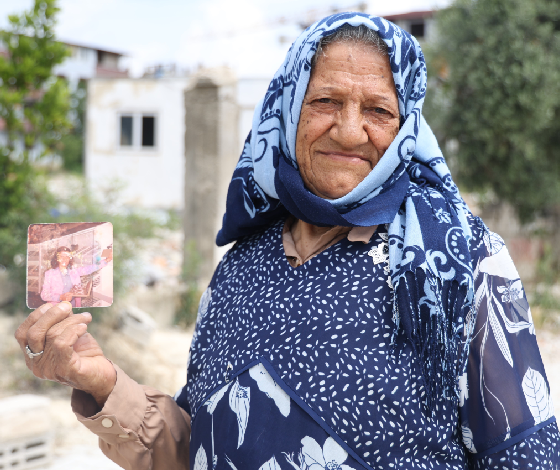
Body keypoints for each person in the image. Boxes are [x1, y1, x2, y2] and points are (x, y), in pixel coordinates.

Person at [14, 13, 560, 470]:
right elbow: (201, 448)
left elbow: (523, 455)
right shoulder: (241, 268)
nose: (349, 131)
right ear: (288, 108)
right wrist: (103, 383)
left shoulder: (456, 262)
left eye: (378, 110)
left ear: (405, 131)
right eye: (325, 101)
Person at [40, 246, 113, 307]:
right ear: (57, 258)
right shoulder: (49, 274)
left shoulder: (74, 271)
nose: (64, 259)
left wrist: (107, 260)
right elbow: (44, 295)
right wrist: (60, 297)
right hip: (56, 308)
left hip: (72, 307)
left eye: (67, 256)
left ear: (70, 258)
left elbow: (89, 269)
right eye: (62, 256)